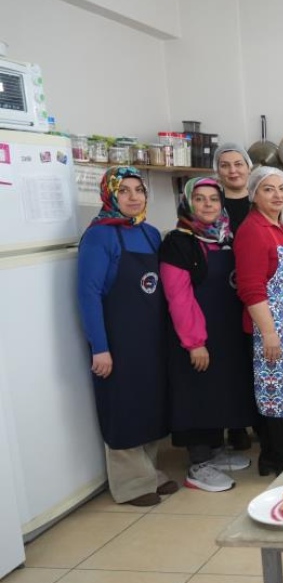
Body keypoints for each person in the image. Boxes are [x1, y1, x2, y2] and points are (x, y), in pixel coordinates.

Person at [77, 166, 175, 506]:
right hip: (118, 338)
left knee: (149, 404)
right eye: (124, 191)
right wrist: (99, 348)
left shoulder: (150, 234)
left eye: (139, 190)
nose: (134, 197)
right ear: (109, 195)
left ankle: (148, 472)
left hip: (150, 336)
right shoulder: (99, 236)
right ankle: (131, 485)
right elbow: (88, 294)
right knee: (125, 407)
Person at [160, 177, 255, 492]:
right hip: (196, 336)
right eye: (199, 199)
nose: (208, 205)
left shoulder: (226, 237)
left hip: (225, 332)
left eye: (213, 199)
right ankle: (198, 465)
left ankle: (214, 452)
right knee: (198, 394)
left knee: (219, 391)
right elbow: (178, 297)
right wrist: (194, 342)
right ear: (188, 203)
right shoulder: (178, 242)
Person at [234, 166, 283, 475]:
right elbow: (250, 288)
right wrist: (268, 332)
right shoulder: (252, 230)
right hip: (275, 328)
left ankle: (277, 455)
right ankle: (281, 461)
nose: (278, 195)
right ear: (254, 194)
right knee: (277, 398)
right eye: (269, 189)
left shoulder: (279, 228)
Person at [212, 142, 256, 450]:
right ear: (218, 171)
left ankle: (264, 425)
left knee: (261, 360)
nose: (233, 170)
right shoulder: (211, 205)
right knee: (233, 363)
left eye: (238, 163)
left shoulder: (261, 202)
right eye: (226, 165)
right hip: (223, 295)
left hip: (260, 294)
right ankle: (237, 425)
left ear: (249, 168)